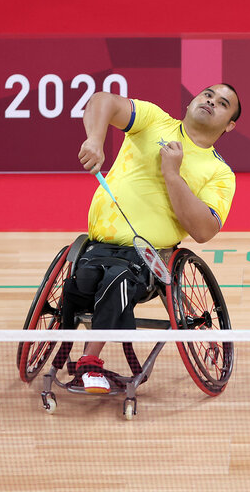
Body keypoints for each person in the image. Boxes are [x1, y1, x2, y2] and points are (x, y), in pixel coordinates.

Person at [65, 84, 240, 393]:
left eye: (223, 103)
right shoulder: (153, 119)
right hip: (97, 245)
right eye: (208, 94)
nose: (212, 101)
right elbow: (102, 101)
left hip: (148, 257)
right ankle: (58, 356)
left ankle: (88, 360)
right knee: (80, 279)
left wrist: (172, 174)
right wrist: (95, 139)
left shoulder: (220, 173)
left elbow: (203, 230)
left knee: (116, 280)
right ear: (190, 102)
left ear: (230, 125)